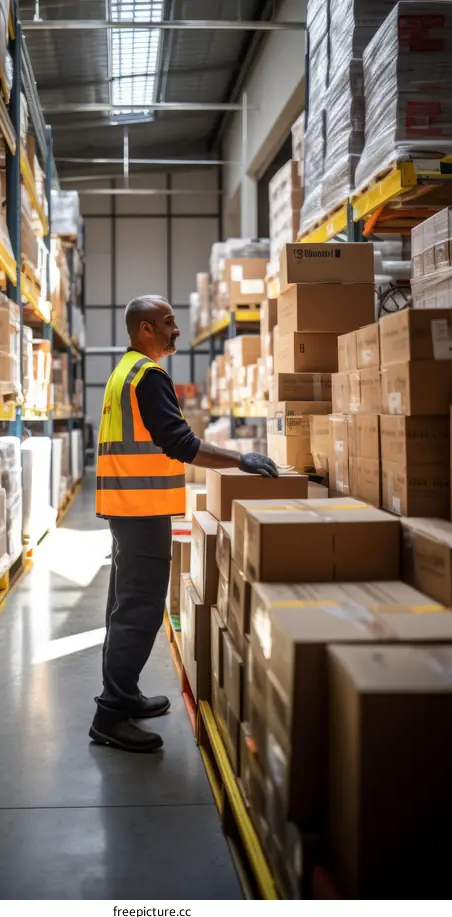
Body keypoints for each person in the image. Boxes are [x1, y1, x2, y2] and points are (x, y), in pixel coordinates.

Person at [90, 295, 278, 753]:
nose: (177, 330)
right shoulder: (148, 376)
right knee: (138, 609)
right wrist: (240, 461)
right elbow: (180, 442)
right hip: (140, 508)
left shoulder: (124, 371)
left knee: (124, 605)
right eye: (168, 323)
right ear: (145, 330)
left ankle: (124, 695)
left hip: (126, 506)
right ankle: (111, 714)